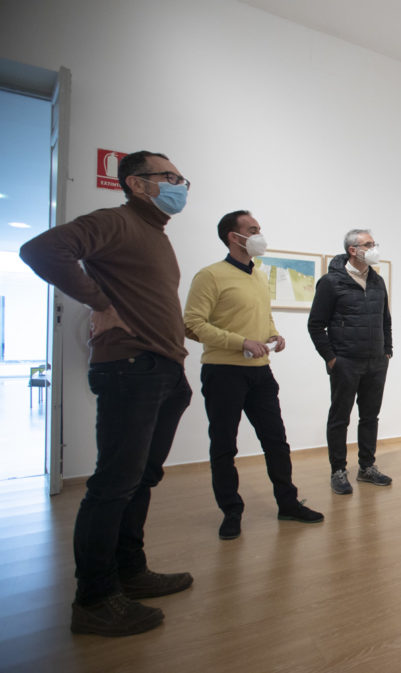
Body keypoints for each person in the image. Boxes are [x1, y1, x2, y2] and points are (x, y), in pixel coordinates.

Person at [19, 151, 194, 637]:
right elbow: (39, 250)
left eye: (182, 178)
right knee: (114, 483)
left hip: (162, 369)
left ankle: (130, 573)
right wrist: (98, 301)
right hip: (130, 369)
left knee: (140, 479)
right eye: (170, 176)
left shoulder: (155, 235)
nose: (181, 184)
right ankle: (94, 599)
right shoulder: (114, 221)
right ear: (137, 185)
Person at [183, 210, 323, 540]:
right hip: (223, 373)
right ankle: (231, 511)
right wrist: (240, 342)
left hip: (261, 374)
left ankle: (288, 504)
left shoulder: (258, 274)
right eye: (253, 229)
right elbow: (192, 325)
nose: (260, 234)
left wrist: (273, 334)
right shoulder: (210, 276)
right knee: (223, 446)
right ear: (234, 237)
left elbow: (262, 315)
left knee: (276, 442)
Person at [307, 229, 393, 495]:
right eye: (368, 244)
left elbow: (385, 320)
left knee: (370, 417)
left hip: (376, 362)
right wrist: (332, 359)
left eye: (374, 243)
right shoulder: (331, 282)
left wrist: (387, 350)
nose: (374, 247)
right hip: (346, 362)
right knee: (339, 418)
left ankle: (367, 467)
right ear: (353, 250)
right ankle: (338, 470)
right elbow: (315, 325)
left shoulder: (377, 281)